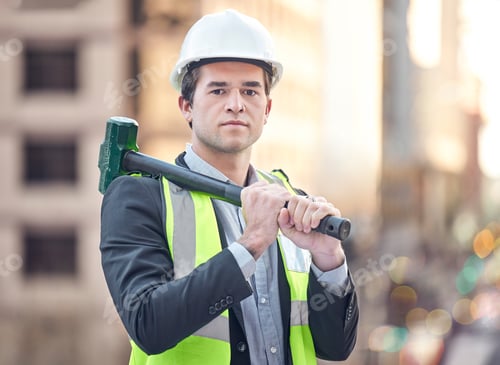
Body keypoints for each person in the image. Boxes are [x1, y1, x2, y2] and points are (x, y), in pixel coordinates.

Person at [100, 9, 358, 365]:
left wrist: (328, 261)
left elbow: (335, 347)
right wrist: (249, 244)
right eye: (218, 90)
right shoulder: (141, 199)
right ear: (186, 106)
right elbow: (147, 324)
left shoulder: (290, 200)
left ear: (266, 108)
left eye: (250, 91)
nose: (236, 104)